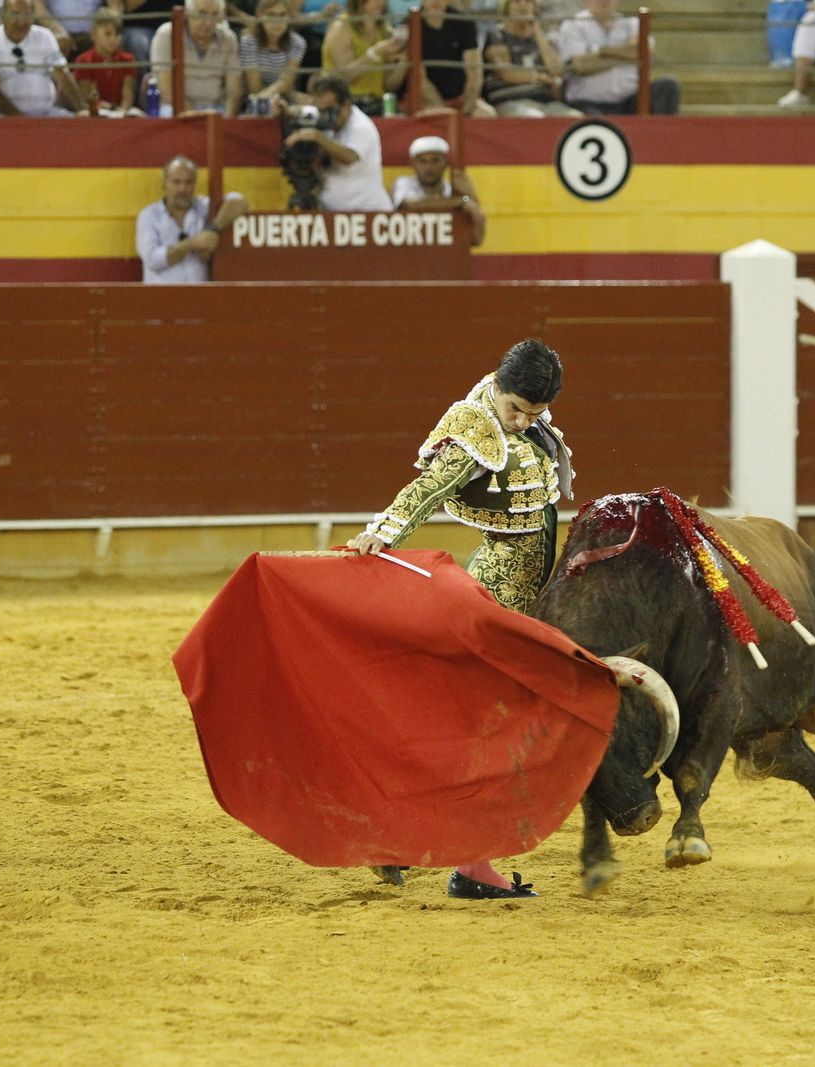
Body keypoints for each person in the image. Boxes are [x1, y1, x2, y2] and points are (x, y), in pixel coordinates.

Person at [347, 338, 572, 901]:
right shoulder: (474, 428)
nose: (522, 423)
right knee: (479, 726)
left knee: (481, 724)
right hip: (497, 591)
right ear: (497, 387)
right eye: (516, 409)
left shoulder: (523, 418)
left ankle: (402, 840)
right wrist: (383, 532)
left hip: (531, 588)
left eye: (534, 414)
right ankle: (460, 860)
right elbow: (427, 489)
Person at [285, 73, 393, 210]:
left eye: (329, 110)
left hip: (367, 211)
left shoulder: (361, 126)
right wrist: (285, 110)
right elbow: (300, 111)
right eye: (320, 110)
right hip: (333, 213)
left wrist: (318, 137)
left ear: (346, 105)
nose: (324, 115)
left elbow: (349, 157)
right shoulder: (324, 114)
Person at [136, 155, 250, 283]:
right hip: (162, 299)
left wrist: (213, 230)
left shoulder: (204, 207)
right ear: (165, 183)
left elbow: (239, 201)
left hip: (201, 299)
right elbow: (153, 260)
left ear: (195, 184)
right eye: (176, 182)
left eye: (188, 182)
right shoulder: (149, 216)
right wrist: (192, 244)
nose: (182, 189)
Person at [555, 0, 680, 114]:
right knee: (591, 120)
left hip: (630, 101)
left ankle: (663, 136)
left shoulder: (632, 24)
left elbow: (643, 51)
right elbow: (580, 65)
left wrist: (599, 51)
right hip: (588, 103)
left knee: (667, 86)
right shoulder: (572, 26)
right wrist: (624, 55)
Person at [0, 0, 88, 114]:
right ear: (2, 16)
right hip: (6, 118)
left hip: (47, 113)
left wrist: (81, 108)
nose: (21, 21)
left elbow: (62, 74)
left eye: (27, 14)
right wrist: (22, 122)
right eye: (15, 14)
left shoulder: (45, 36)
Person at [481, 0, 582, 116]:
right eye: (517, 2)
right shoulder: (497, 36)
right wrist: (540, 78)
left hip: (544, 101)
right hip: (510, 100)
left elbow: (556, 70)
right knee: (534, 118)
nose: (523, 5)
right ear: (506, 7)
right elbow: (506, 73)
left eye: (528, 1)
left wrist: (538, 33)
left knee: (574, 117)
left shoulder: (542, 38)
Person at [391, 134, 487, 246]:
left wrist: (469, 195)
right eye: (423, 161)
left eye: (435, 161)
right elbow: (413, 205)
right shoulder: (405, 184)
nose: (429, 167)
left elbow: (476, 240)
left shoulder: (451, 189)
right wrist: (460, 202)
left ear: (445, 163)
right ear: (414, 164)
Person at [150, 0, 242, 116]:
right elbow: (166, 90)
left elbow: (234, 92)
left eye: (214, 14)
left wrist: (227, 120)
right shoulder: (167, 35)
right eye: (202, 14)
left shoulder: (228, 39)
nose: (208, 22)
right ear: (187, 13)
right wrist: (197, 117)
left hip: (216, 110)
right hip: (177, 108)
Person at [320, 0, 405, 116]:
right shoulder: (341, 26)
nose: (381, 2)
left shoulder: (383, 30)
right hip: (346, 104)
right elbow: (345, 76)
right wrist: (375, 52)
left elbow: (389, 85)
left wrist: (405, 59)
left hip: (377, 102)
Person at [416, 0, 495, 115]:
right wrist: (442, 109)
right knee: (430, 116)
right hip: (427, 101)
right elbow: (419, 77)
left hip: (461, 98)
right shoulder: (412, 23)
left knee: (487, 113)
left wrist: (467, 106)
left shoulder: (463, 21)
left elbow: (474, 71)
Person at [240, 0, 307, 113]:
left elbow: (286, 83)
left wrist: (274, 99)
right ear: (260, 15)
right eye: (271, 14)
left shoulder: (298, 42)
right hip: (253, 99)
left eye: (282, 15)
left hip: (283, 96)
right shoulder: (248, 41)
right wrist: (267, 100)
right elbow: (254, 88)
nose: (277, 21)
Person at [72, 9, 137, 112]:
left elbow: (127, 96)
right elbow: (88, 98)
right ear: (93, 35)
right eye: (108, 34)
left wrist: (121, 112)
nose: (113, 39)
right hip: (95, 113)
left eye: (117, 34)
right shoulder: (83, 61)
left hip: (120, 114)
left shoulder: (128, 60)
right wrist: (109, 109)